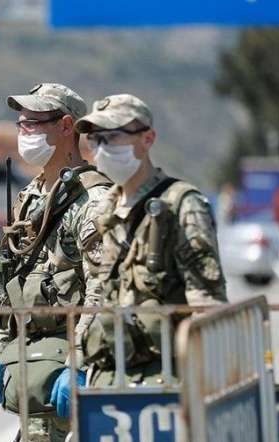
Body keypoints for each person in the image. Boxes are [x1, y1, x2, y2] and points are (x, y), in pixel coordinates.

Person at [0, 83, 112, 442]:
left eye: (34, 123)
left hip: (70, 365)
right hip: (33, 363)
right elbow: (11, 278)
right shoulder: (30, 197)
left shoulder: (93, 200)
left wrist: (79, 361)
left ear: (67, 126)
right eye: (21, 124)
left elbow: (103, 289)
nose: (25, 132)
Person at [74, 94, 228, 387]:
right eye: (96, 140)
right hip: (109, 372)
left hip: (167, 377)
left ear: (147, 139)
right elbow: (99, 291)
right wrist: (77, 359)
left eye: (114, 136)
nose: (102, 149)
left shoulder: (181, 205)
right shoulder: (107, 208)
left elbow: (206, 305)